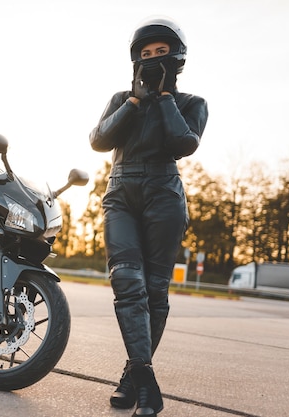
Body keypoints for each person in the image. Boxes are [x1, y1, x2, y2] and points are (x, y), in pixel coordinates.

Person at [89, 16, 208, 417]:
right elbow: (99, 140)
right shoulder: (123, 98)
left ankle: (131, 377)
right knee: (126, 281)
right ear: (135, 60)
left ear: (177, 59)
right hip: (121, 193)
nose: (153, 58)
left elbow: (183, 143)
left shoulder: (191, 103)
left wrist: (164, 98)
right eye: (145, 54)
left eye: (161, 52)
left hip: (164, 194)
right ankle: (145, 380)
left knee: (155, 292)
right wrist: (137, 101)